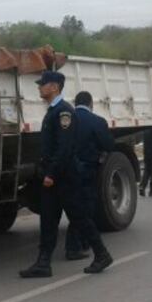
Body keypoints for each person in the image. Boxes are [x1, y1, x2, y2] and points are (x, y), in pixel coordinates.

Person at [19, 71, 113, 278]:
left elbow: (65, 148)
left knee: (79, 217)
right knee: (49, 220)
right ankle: (43, 263)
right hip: (56, 177)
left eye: (42, 84)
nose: (39, 87)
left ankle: (102, 254)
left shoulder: (64, 112)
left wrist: (51, 174)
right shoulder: (53, 111)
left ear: (54, 87)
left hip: (64, 177)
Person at [65, 90, 116, 260]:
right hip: (87, 170)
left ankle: (80, 243)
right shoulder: (97, 121)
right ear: (91, 104)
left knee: (75, 206)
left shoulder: (66, 120)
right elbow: (108, 145)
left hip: (68, 169)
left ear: (75, 103)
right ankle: (75, 246)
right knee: (85, 208)